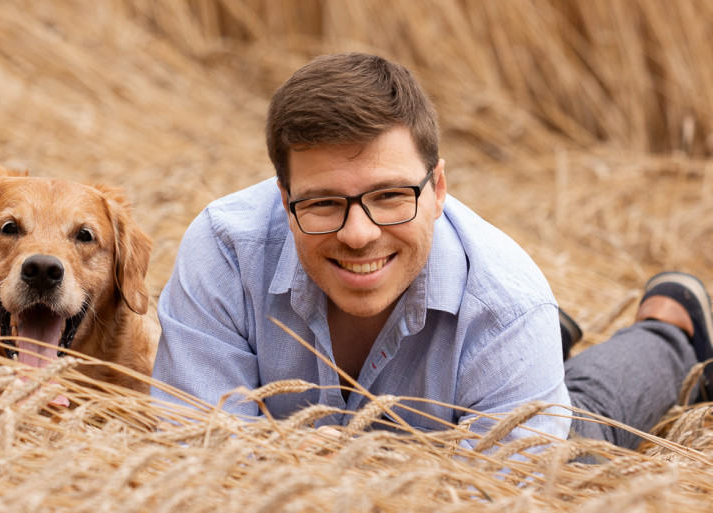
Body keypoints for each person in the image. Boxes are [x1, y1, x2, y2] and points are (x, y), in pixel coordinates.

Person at [150, 52, 712, 450]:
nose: (359, 234)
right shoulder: (224, 249)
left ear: (438, 189)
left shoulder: (509, 307)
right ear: (283, 197)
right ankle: (522, 364)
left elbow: (499, 497)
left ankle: (670, 329)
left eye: (390, 195)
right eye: (322, 203)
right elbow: (197, 452)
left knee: (580, 434)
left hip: (502, 332)